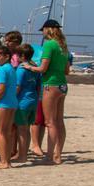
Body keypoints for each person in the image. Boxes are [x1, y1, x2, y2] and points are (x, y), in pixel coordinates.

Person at [22, 19, 71, 165]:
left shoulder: (49, 45)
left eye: (43, 30)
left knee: (50, 122)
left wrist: (29, 67)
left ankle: (51, 156)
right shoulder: (63, 46)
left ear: (48, 30)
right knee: (59, 121)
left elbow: (42, 69)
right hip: (62, 84)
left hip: (51, 84)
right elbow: (67, 70)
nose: (42, 33)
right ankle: (58, 154)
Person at [0, 45, 18, 169]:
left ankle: (4, 161)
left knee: (0, 132)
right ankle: (7, 160)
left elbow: (1, 89)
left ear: (6, 56)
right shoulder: (11, 68)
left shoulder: (2, 69)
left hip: (3, 103)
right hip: (12, 102)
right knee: (7, 132)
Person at [13, 44, 41, 163]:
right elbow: (38, 86)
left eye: (18, 55)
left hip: (22, 101)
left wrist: (12, 98)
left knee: (21, 129)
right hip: (33, 100)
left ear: (22, 56)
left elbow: (18, 86)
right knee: (27, 129)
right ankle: (22, 153)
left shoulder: (21, 68)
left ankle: (22, 155)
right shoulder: (34, 67)